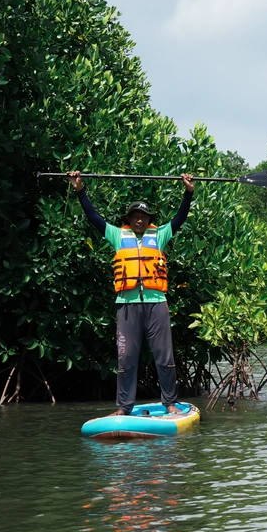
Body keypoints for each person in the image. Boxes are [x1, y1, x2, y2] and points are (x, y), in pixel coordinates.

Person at [69, 171, 195, 416]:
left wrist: (188, 193)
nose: (140, 220)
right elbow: (94, 218)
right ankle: (124, 407)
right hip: (127, 306)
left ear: (149, 220)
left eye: (144, 216)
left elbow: (180, 218)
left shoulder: (159, 235)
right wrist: (79, 190)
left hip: (156, 304)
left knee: (164, 357)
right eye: (135, 216)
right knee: (126, 359)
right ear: (129, 219)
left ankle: (170, 403)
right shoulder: (118, 235)